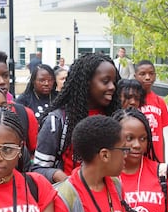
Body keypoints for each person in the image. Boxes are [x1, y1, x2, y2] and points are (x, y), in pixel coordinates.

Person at [33, 52, 121, 183]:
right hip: (73, 198)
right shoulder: (57, 120)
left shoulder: (117, 117)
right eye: (105, 81)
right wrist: (57, 175)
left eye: (114, 82)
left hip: (109, 198)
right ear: (86, 82)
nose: (112, 87)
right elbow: (37, 170)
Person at [134, 60, 168, 162]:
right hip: (137, 157)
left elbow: (160, 134)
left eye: (151, 74)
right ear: (135, 76)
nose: (147, 77)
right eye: (142, 74)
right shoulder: (132, 101)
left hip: (155, 159)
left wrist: (162, 161)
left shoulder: (160, 102)